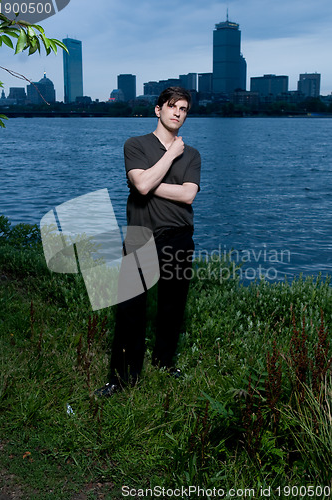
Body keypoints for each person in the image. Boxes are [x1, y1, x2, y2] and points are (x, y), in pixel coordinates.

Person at [95, 87, 201, 397]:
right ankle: (121, 378)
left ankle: (165, 363)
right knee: (130, 310)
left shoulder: (192, 154)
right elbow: (139, 184)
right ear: (158, 110)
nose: (178, 112)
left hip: (179, 237)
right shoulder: (136, 145)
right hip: (141, 236)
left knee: (172, 308)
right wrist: (169, 157)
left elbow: (188, 194)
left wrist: (149, 183)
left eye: (183, 108)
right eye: (172, 106)